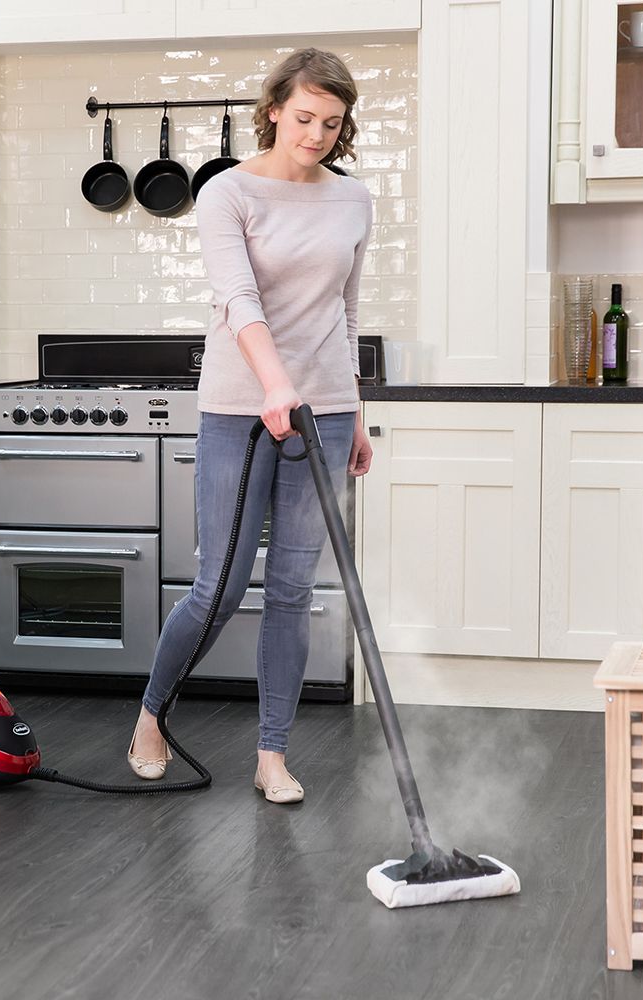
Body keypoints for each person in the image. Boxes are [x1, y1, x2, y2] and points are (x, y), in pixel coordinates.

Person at [127, 48, 374, 804]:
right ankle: (151, 717)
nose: (316, 134)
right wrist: (274, 385)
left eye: (331, 123)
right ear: (273, 110)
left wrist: (355, 410)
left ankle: (272, 754)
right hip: (241, 402)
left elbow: (347, 310)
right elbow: (238, 298)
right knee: (221, 585)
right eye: (304, 118)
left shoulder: (354, 198)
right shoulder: (227, 193)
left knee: (294, 587)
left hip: (325, 409)